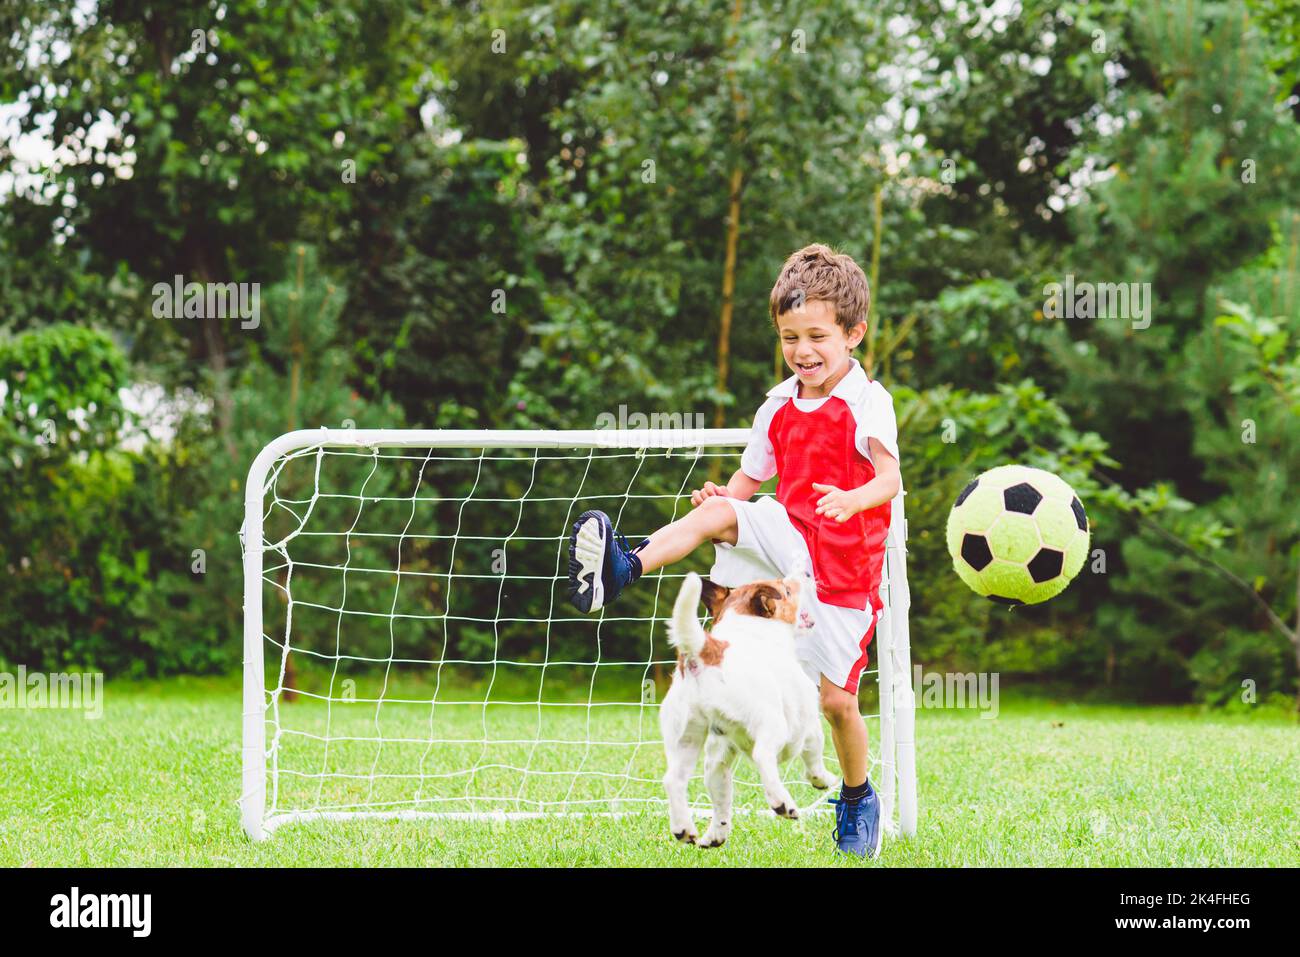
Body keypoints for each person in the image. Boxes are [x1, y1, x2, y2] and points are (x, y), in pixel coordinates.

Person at [566, 243, 901, 859]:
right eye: (790, 337)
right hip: (788, 541)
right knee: (717, 512)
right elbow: (751, 480)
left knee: (833, 701)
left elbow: (889, 480)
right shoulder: (775, 406)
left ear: (854, 334)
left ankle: (857, 797)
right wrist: (726, 498)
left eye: (818, 336)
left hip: (843, 571)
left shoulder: (866, 402)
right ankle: (622, 566)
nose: (803, 351)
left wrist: (853, 501)